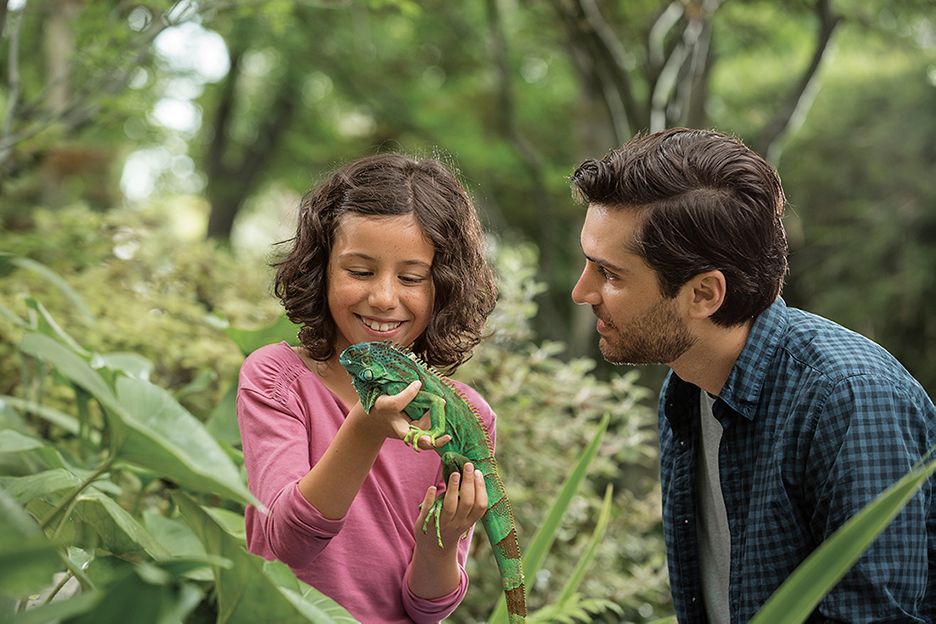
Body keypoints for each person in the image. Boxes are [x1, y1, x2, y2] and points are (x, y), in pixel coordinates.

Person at [569, 127, 935, 622]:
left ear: (704, 294)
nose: (582, 291)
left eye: (609, 274)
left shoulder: (849, 400)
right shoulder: (686, 390)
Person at [236, 152, 499, 623]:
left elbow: (426, 610)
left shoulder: (466, 415)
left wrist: (439, 546)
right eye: (360, 271)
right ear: (321, 270)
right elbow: (287, 544)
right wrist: (365, 428)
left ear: (443, 286)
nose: (383, 297)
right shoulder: (277, 380)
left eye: (412, 278)